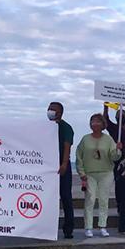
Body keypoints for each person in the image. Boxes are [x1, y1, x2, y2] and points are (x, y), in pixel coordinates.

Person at [76, 113, 121, 238]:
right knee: (89, 200)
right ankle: (88, 227)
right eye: (92, 121)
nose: (94, 124)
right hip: (89, 174)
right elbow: (79, 156)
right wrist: (82, 173)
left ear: (103, 124)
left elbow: (114, 157)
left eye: (97, 121)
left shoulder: (108, 139)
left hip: (106, 173)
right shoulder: (85, 139)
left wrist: (118, 150)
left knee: (103, 200)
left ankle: (102, 226)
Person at [46, 102, 75, 239]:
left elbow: (67, 146)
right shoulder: (44, 127)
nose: (50, 111)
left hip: (61, 166)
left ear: (60, 112)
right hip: (47, 167)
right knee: (47, 198)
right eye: (49, 109)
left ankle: (68, 229)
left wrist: (63, 164)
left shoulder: (66, 127)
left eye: (53, 109)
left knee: (66, 197)